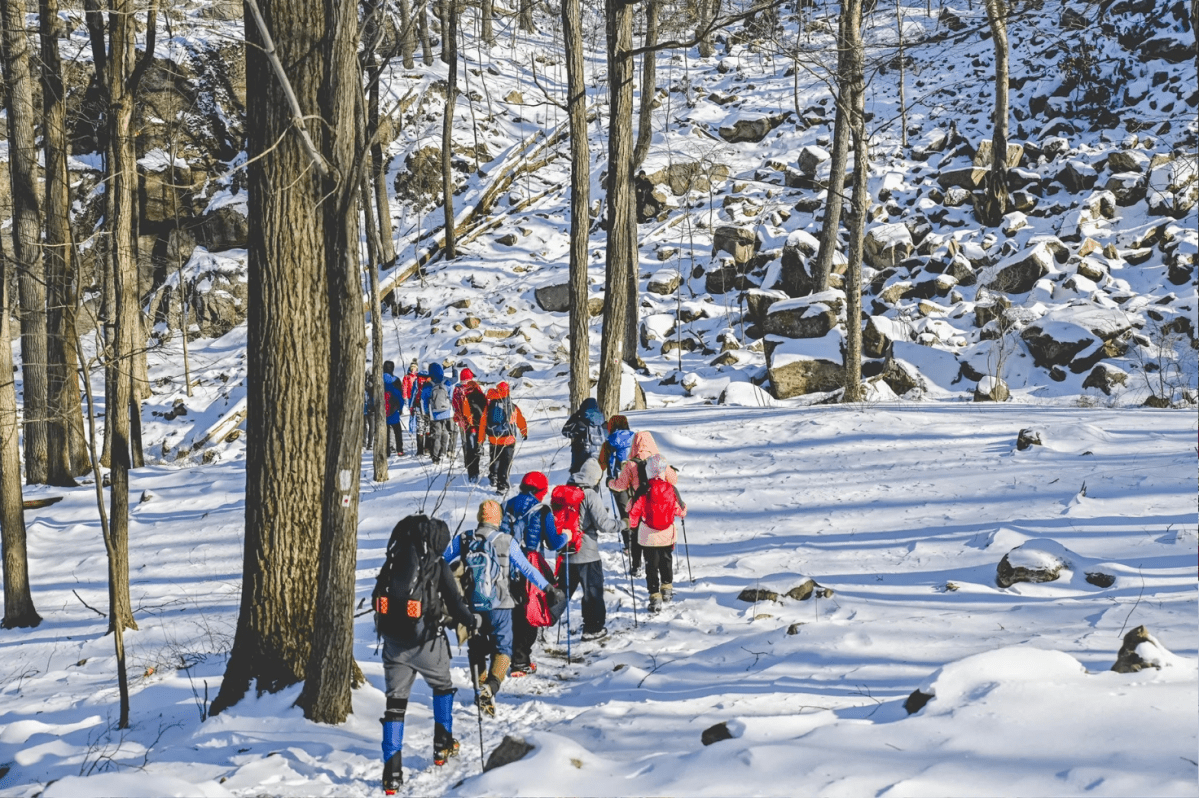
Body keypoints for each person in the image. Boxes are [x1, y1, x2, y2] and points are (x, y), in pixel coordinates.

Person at [372, 515, 478, 793]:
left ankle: (391, 775)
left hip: (394, 645)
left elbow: (376, 598)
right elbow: (455, 604)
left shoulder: (394, 561)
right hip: (428, 642)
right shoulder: (437, 564)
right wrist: (472, 620)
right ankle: (442, 745)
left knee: (395, 705)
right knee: (442, 687)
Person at [444, 500, 563, 716]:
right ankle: (491, 687)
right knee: (503, 650)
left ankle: (480, 688)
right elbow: (527, 569)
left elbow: (442, 561)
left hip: (470, 608)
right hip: (501, 606)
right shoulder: (506, 541)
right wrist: (548, 588)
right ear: (497, 519)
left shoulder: (463, 539)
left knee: (477, 651)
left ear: (480, 517)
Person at [500, 472, 567, 677]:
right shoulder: (542, 510)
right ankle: (521, 661)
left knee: (512, 608)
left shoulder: (506, 505)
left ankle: (507, 656)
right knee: (532, 608)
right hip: (530, 563)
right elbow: (553, 542)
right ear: (541, 491)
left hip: (505, 561)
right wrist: (566, 536)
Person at [562, 458, 620, 640]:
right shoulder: (589, 495)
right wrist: (622, 524)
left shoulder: (565, 491)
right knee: (593, 591)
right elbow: (604, 524)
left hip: (566, 551)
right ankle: (593, 628)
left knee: (562, 593)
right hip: (587, 553)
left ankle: (540, 623)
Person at [625, 453, 686, 614]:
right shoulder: (671, 489)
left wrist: (632, 526)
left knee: (651, 565)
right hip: (667, 533)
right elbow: (681, 511)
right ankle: (667, 587)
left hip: (648, 535)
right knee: (666, 560)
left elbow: (633, 512)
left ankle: (654, 596)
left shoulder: (644, 489)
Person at [479, 381, 527, 494]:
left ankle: (493, 477)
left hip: (494, 439)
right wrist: (524, 432)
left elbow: (483, 423)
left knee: (494, 459)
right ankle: (502, 486)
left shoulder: (490, 405)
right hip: (508, 439)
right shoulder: (512, 406)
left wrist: (480, 440)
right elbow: (520, 419)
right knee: (505, 463)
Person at [453, 368, 488, 482]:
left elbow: (455, 404)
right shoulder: (476, 388)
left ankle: (469, 466)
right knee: (474, 444)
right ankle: (473, 465)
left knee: (467, 444)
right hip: (478, 423)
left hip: (465, 423)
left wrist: (458, 417)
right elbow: (485, 404)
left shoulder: (458, 390)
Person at [561, 397, 608, 475]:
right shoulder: (602, 425)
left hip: (579, 464)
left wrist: (574, 417)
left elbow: (565, 431)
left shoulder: (580, 423)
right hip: (597, 465)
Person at [421, 362, 455, 464]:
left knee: (437, 434)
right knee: (445, 432)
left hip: (434, 414)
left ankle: (435, 456)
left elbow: (424, 400)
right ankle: (443, 452)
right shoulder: (447, 382)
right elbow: (451, 397)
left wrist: (426, 413)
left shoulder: (428, 385)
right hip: (446, 412)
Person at [401, 361, 426, 456]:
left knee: (418, 418)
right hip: (410, 397)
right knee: (413, 416)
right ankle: (412, 430)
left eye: (415, 367)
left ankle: (415, 430)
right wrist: (405, 398)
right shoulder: (407, 377)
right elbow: (404, 387)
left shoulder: (417, 377)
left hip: (416, 398)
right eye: (412, 367)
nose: (413, 369)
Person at [381, 361, 406, 456]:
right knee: (397, 431)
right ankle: (399, 450)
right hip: (394, 409)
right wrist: (400, 407)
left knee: (385, 432)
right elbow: (399, 395)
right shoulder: (396, 380)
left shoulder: (379, 379)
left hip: (382, 409)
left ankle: (386, 451)